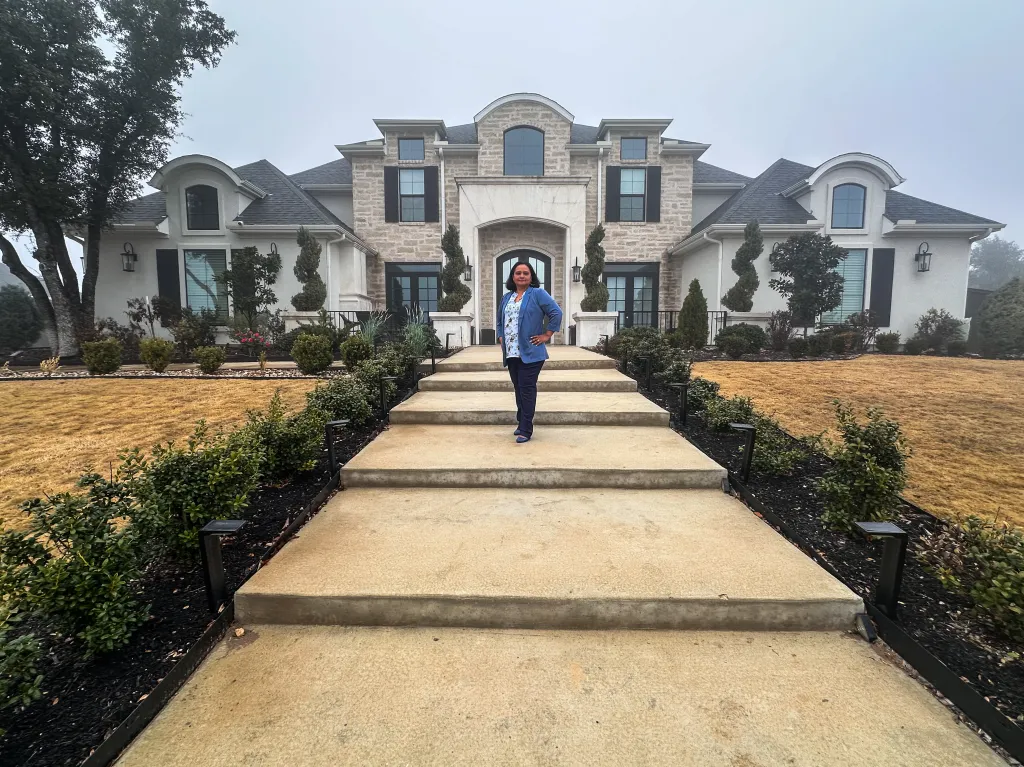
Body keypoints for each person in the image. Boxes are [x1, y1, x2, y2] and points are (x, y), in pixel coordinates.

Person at [496, 261, 563, 443]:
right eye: (518, 273)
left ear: (531, 276)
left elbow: (556, 312)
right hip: (511, 353)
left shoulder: (537, 294)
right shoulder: (506, 298)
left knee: (526, 389)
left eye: (526, 273)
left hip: (531, 353)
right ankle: (521, 422)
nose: (522, 275)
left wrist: (546, 334)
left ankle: (526, 428)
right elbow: (500, 321)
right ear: (512, 277)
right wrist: (501, 336)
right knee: (518, 388)